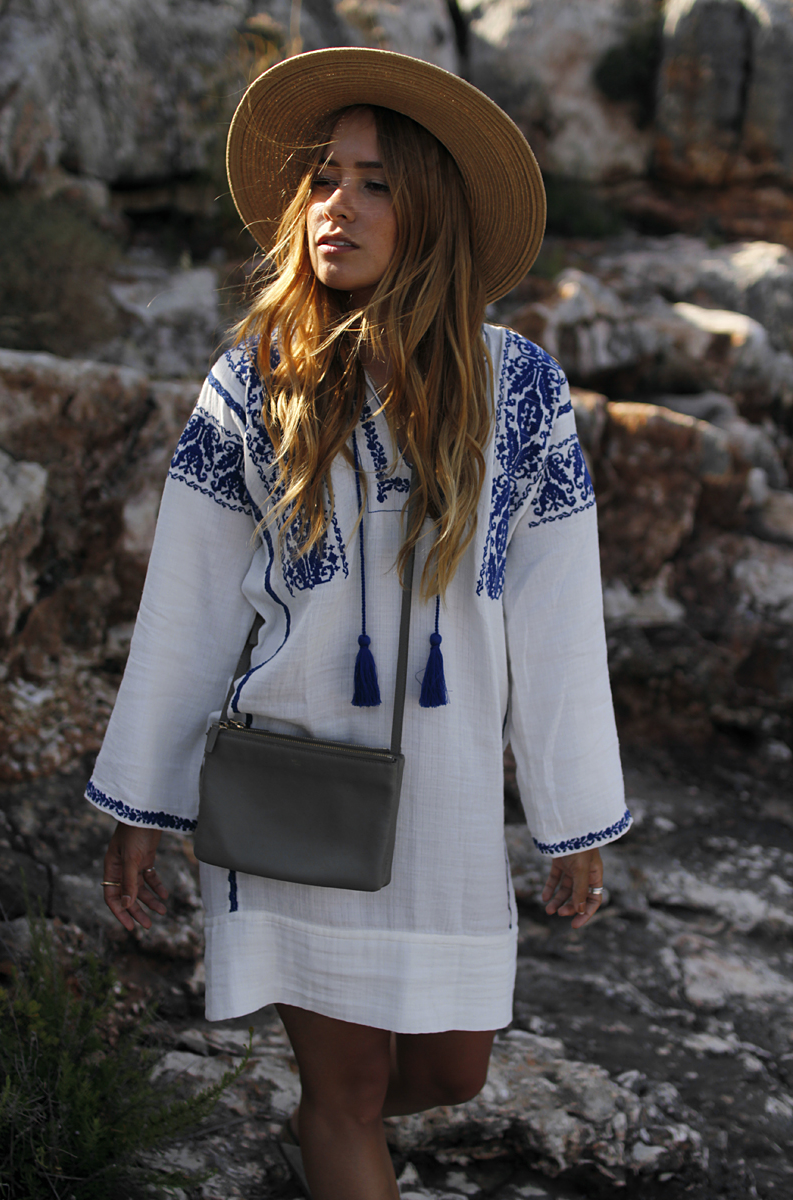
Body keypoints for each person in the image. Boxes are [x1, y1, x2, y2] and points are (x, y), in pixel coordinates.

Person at [89, 48, 631, 1200]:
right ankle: (336, 1138)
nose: (337, 205)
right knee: (346, 1097)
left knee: (451, 1072)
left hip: (446, 804)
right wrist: (142, 800)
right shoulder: (255, 381)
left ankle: (331, 1138)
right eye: (324, 179)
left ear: (430, 209)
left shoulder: (520, 389)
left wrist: (571, 814)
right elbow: (185, 606)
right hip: (294, 786)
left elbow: (557, 615)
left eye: (375, 183)